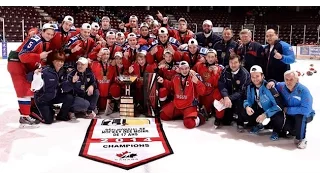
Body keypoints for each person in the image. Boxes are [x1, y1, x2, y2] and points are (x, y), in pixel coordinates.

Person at [7, 23, 55, 127]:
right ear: (42, 32)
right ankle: (24, 116)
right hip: (16, 64)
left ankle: (27, 113)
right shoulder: (36, 39)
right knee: (24, 91)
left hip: (21, 65)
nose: (50, 36)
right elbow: (23, 56)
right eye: (48, 33)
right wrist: (39, 56)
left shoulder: (42, 41)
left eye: (52, 34)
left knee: (30, 89)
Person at [267, 70, 315, 149]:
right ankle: (293, 131)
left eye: (291, 79)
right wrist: (271, 81)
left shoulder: (304, 91)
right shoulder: (282, 86)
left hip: (306, 115)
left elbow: (306, 110)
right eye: (286, 79)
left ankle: (302, 139)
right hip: (289, 114)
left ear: (297, 80)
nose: (288, 82)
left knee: (300, 116)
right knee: (288, 127)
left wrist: (288, 110)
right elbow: (275, 83)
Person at [27, 51, 75, 124]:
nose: (60, 63)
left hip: (55, 97)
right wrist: (34, 73)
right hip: (43, 99)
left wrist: (72, 82)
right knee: (48, 121)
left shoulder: (63, 71)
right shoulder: (45, 70)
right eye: (57, 61)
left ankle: (61, 115)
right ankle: (34, 110)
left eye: (62, 61)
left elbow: (65, 88)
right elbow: (29, 78)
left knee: (69, 97)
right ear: (53, 61)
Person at [158, 61, 207, 129]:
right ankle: (183, 115)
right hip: (177, 104)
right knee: (163, 116)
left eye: (186, 68)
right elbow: (171, 86)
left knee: (189, 124)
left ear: (189, 68)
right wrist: (163, 81)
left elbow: (203, 92)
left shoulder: (194, 77)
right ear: (179, 69)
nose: (184, 71)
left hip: (189, 105)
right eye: (182, 69)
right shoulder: (175, 77)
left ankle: (202, 116)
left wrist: (197, 82)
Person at [242, 65, 285, 140]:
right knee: (245, 110)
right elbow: (248, 100)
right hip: (261, 107)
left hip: (272, 109)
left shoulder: (269, 87)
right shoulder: (250, 87)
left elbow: (279, 105)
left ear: (262, 76)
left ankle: (276, 131)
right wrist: (247, 106)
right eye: (253, 77)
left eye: (257, 76)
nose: (255, 79)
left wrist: (265, 114)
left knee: (279, 115)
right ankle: (258, 125)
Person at [218, 54, 251, 131]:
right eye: (231, 62)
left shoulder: (245, 74)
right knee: (226, 121)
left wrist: (229, 98)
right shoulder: (225, 70)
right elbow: (222, 84)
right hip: (228, 96)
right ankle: (227, 116)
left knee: (240, 103)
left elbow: (242, 91)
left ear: (240, 63)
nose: (233, 65)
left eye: (235, 62)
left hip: (241, 97)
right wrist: (225, 96)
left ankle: (240, 121)